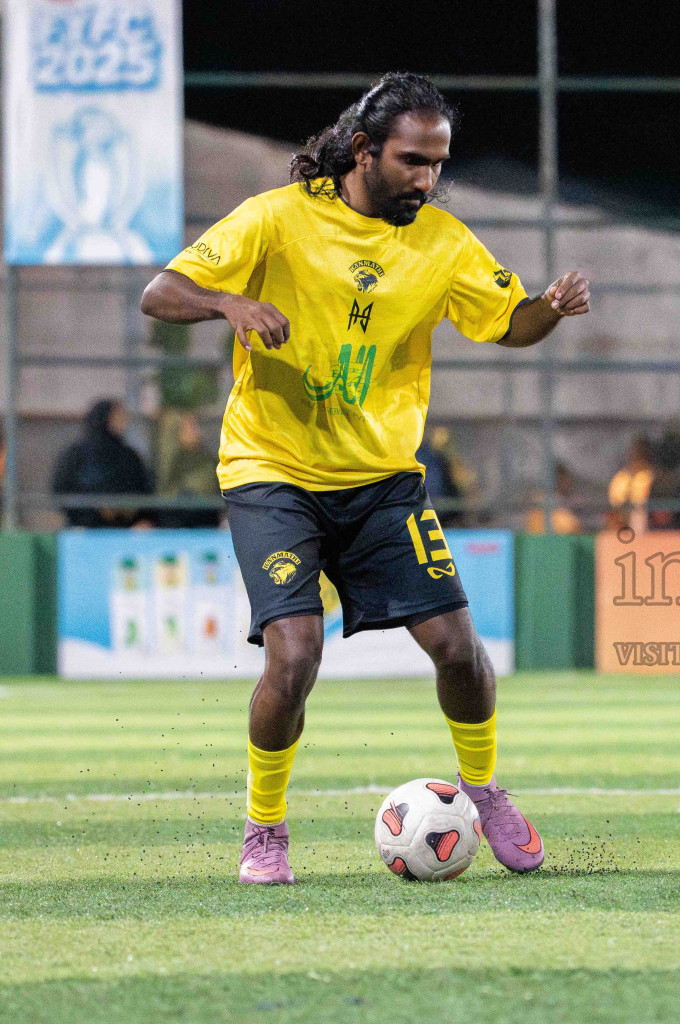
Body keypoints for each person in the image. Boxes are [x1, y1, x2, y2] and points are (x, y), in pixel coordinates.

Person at [139, 72, 591, 885]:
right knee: (295, 655)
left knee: (458, 649)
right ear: (363, 150)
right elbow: (159, 292)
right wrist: (228, 305)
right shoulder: (277, 219)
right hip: (272, 471)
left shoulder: (444, 242)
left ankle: (484, 791)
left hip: (382, 478)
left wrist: (549, 309)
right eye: (413, 160)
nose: (427, 178)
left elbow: (509, 323)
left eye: (438, 164)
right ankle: (265, 827)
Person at [51, 398, 155, 528]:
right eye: (118, 416)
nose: (124, 421)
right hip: (83, 529)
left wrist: (143, 518)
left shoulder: (129, 456)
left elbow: (144, 491)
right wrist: (93, 511)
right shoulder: (76, 455)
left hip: (126, 531)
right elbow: (62, 491)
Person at [158, 412, 222, 528]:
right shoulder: (171, 459)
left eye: (194, 426)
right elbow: (166, 490)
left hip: (204, 519)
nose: (192, 430)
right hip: (174, 517)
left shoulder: (208, 460)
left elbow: (214, 489)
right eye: (186, 426)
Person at [607, 434, 654, 534]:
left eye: (640, 453)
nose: (636, 456)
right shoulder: (621, 476)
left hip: (644, 516)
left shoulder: (650, 475)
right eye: (634, 453)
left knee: (638, 514)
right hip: (621, 516)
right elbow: (615, 502)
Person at [524, 461, 582, 534]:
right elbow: (569, 526)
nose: (566, 483)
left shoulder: (568, 500)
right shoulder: (541, 500)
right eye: (562, 478)